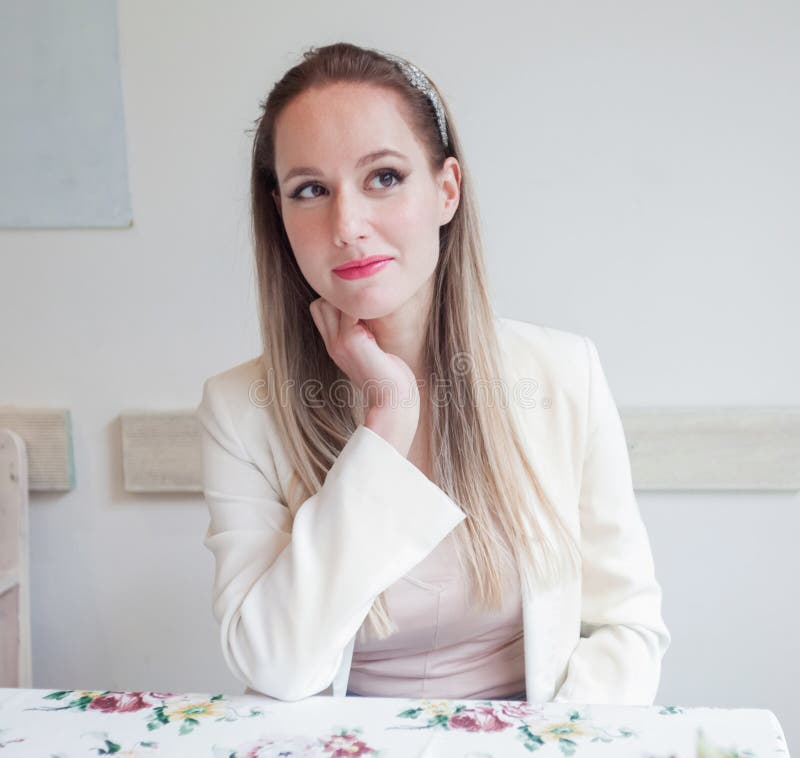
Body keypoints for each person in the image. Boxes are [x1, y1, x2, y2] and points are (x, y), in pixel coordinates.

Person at [196, 41, 670, 704]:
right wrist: (388, 417)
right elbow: (277, 664)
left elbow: (625, 631)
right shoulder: (239, 409)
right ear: (280, 215)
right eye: (311, 190)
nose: (348, 225)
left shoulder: (564, 373)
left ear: (447, 190)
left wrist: (544, 748)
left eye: (384, 177)